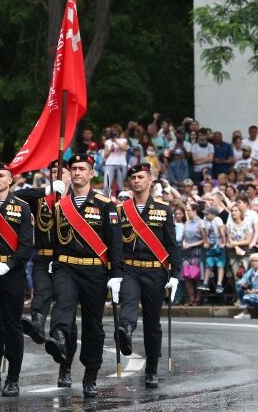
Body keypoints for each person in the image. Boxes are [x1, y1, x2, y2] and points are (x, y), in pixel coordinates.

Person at [45, 153, 118, 398]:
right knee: (63, 305)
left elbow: (114, 241)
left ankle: (90, 374)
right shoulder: (59, 205)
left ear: (90, 173)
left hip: (94, 268)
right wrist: (52, 262)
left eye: (81, 169)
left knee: (92, 324)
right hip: (66, 265)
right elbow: (55, 238)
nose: (76, 173)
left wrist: (116, 274)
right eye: (73, 169)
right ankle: (58, 338)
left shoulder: (105, 204)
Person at [112, 162, 180, 390]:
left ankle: (152, 369)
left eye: (141, 177)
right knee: (128, 302)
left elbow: (172, 244)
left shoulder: (164, 209)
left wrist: (175, 274)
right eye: (133, 178)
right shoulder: (121, 210)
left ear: (150, 180)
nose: (136, 181)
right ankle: (126, 330)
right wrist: (116, 272)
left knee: (153, 323)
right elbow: (116, 244)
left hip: (155, 270)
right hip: (130, 267)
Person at [15, 160, 78, 388]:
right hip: (43, 256)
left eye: (62, 171)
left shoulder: (77, 199)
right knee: (41, 292)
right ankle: (38, 327)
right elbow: (17, 196)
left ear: (71, 175)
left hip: (68, 262)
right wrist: (47, 190)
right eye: (53, 171)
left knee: (66, 315)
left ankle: (66, 367)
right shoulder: (40, 197)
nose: (57, 174)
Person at [0, 162, 33, 397]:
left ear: (10, 180)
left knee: (12, 325)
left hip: (12, 272)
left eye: (1, 175)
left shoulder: (22, 207)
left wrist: (9, 265)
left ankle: (13, 377)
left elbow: (26, 244)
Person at [181, 204, 206, 306]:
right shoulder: (186, 222)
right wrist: (184, 242)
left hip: (197, 252)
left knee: (197, 276)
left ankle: (198, 299)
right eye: (187, 210)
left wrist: (191, 244)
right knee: (187, 276)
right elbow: (184, 237)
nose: (188, 212)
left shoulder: (201, 223)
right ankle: (191, 298)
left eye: (189, 210)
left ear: (195, 211)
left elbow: (205, 239)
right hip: (187, 252)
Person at [199, 207, 226, 293]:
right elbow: (204, 231)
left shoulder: (218, 220)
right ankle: (205, 283)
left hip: (218, 244)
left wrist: (223, 243)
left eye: (207, 214)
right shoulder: (205, 220)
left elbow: (222, 232)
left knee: (220, 264)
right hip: (210, 245)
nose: (205, 215)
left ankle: (219, 284)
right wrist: (205, 242)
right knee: (208, 263)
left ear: (213, 214)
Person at [103, 129, 128, 196]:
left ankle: (121, 201)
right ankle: (105, 201)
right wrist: (110, 150)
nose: (114, 133)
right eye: (113, 132)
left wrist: (116, 141)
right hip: (110, 164)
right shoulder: (107, 141)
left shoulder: (123, 140)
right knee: (106, 185)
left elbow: (125, 148)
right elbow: (105, 155)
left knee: (121, 186)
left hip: (121, 164)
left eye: (115, 132)